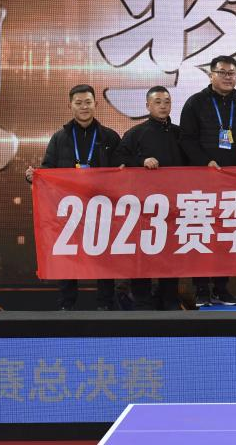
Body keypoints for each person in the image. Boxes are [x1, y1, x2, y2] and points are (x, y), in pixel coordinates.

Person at [26, 84, 120, 311]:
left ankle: (105, 305)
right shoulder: (60, 138)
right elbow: (48, 169)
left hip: (101, 208)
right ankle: (66, 306)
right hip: (70, 209)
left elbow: (122, 170)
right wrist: (34, 176)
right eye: (78, 103)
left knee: (104, 256)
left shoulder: (109, 136)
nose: (84, 107)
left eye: (88, 102)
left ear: (96, 104)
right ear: (70, 106)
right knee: (68, 256)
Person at [179, 55, 236, 307]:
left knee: (226, 235)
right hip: (202, 181)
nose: (228, 77)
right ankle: (201, 290)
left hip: (232, 182)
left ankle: (221, 288)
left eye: (232, 73)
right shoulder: (195, 103)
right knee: (201, 234)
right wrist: (204, 162)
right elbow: (186, 139)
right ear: (211, 75)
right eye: (222, 72)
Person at [115, 86, 186, 310]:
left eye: (167, 101)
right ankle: (142, 300)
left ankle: (169, 299)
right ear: (147, 105)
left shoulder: (180, 133)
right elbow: (119, 158)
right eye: (157, 102)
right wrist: (141, 162)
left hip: (174, 206)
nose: (163, 106)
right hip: (143, 208)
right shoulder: (136, 133)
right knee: (142, 254)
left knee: (171, 255)